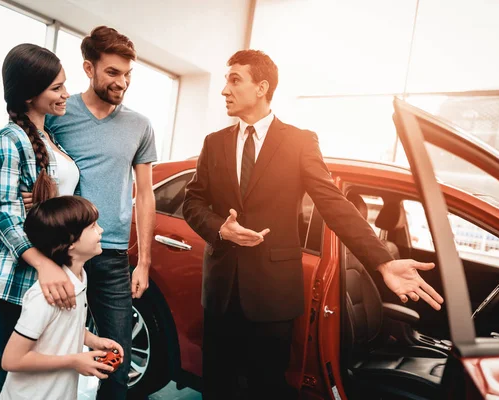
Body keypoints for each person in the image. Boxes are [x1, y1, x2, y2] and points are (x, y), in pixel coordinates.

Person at [182, 49, 445, 400]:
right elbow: (192, 202)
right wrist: (220, 229)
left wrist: (382, 260)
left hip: (273, 296)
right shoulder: (213, 144)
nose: (224, 90)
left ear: (261, 87)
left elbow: (333, 203)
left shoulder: (299, 141)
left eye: (234, 80)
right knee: (217, 385)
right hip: (221, 293)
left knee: (267, 388)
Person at [22, 26, 157, 399]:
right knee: (42, 343)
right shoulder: (59, 114)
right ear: (88, 68)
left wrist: (143, 261)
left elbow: (145, 195)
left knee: (116, 357)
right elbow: (37, 164)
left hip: (111, 255)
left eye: (128, 74)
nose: (122, 82)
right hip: (60, 252)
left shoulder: (140, 125)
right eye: (113, 72)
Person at [0, 43, 80, 400]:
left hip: (40, 268)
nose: (66, 94)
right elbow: (4, 212)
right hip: (12, 272)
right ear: (29, 95)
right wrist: (43, 265)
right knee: (13, 375)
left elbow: (51, 203)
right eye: (56, 88)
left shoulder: (50, 139)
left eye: (64, 84)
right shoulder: (7, 140)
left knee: (2, 371)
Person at [0, 196, 123, 400]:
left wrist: (94, 340)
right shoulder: (45, 296)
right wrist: (74, 361)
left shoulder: (79, 278)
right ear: (70, 241)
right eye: (93, 226)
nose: (101, 230)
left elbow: (66, 325)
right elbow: (11, 360)